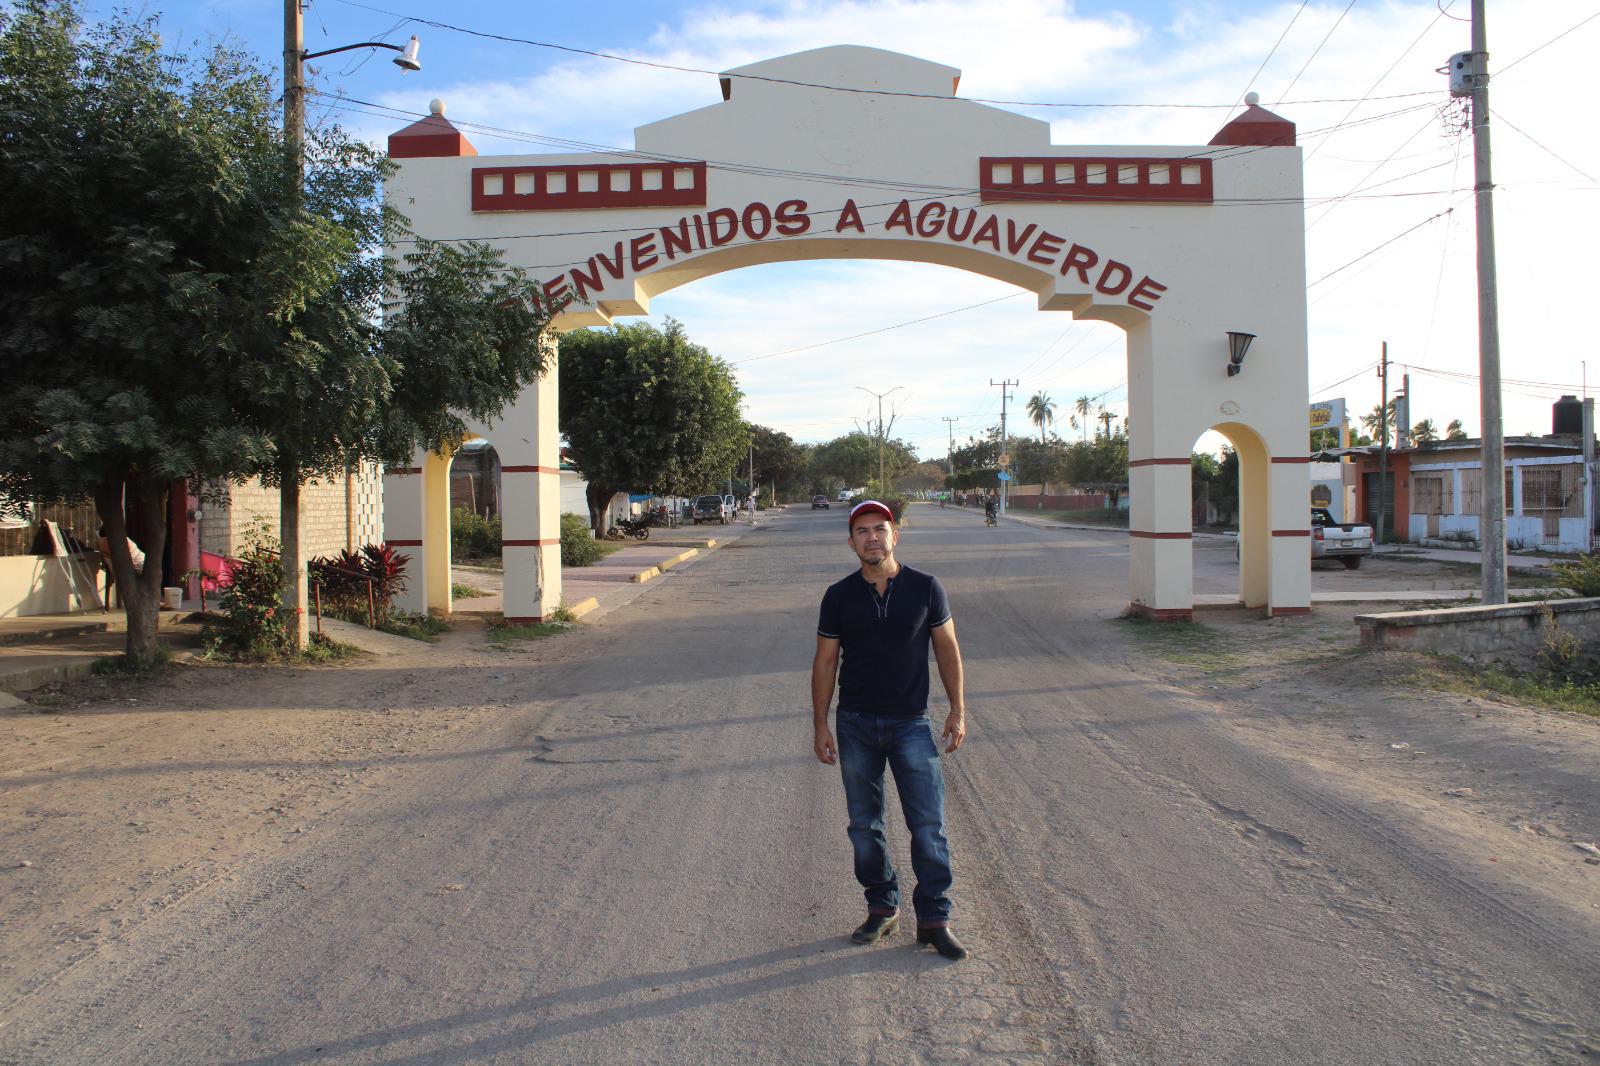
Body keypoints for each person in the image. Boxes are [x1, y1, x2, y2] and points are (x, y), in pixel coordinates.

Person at [811, 499, 969, 961]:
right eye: (862, 532)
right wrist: (821, 724)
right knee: (865, 827)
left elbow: (947, 650)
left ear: (894, 535)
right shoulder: (838, 596)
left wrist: (957, 710)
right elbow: (825, 662)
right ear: (851, 542)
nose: (872, 538)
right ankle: (882, 907)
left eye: (880, 529)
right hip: (855, 723)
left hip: (910, 724)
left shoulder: (926, 588)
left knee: (928, 826)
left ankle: (935, 919)